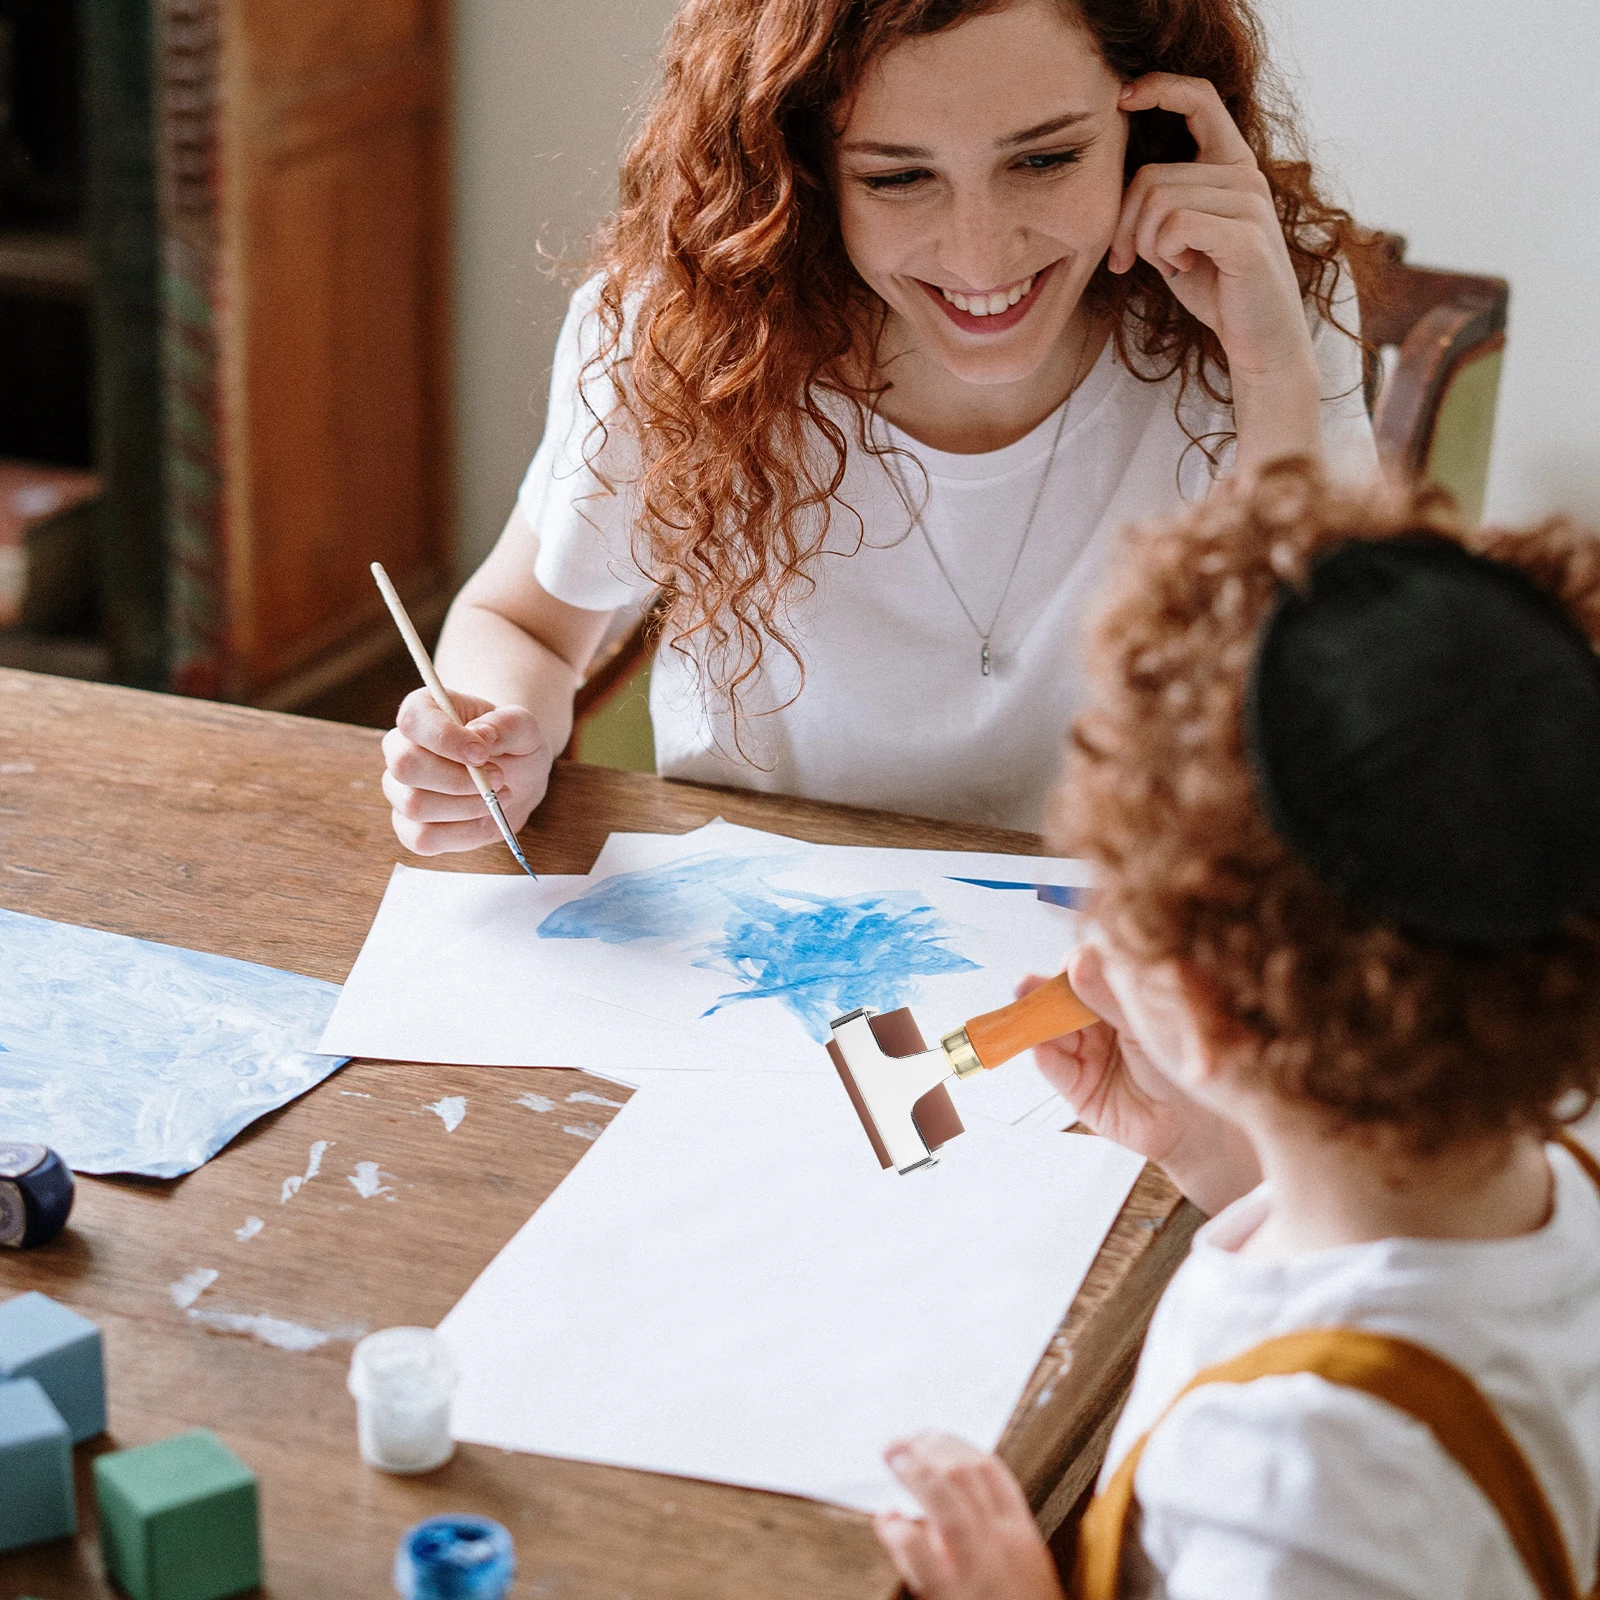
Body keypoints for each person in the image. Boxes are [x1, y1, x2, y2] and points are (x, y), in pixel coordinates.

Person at [383, 0, 1379, 844]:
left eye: (1045, 159)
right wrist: (493, 730)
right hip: (760, 962)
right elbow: (524, 623)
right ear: (802, 166)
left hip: (1124, 981)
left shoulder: (1266, 308)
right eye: (898, 176)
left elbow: (1344, 741)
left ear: (1150, 123)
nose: (982, 257)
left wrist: (1270, 371)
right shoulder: (681, 330)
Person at [874, 458, 1600, 1599]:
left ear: (1205, 1012)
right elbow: (1380, 1265)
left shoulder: (1298, 1494)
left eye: (1107, 903)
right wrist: (1212, 1146)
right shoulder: (1559, 1158)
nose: (1086, 952)